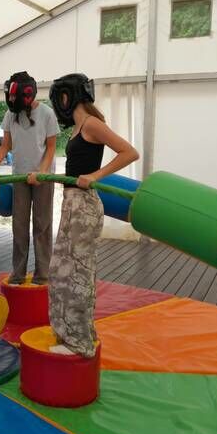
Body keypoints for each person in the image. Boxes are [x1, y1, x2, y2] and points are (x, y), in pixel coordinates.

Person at [47, 74, 139, 357]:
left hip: (84, 206)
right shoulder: (78, 127)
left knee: (78, 274)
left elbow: (129, 152)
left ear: (70, 96)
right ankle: (69, 333)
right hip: (71, 203)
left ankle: (80, 344)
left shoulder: (91, 124)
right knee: (60, 271)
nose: (58, 103)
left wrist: (95, 176)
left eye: (60, 97)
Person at [0, 71, 59, 285]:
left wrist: (41, 172)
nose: (11, 100)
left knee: (42, 225)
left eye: (14, 96)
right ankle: (18, 273)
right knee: (19, 226)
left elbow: (51, 148)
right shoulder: (10, 115)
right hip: (19, 176)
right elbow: (5, 146)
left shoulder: (47, 113)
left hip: (43, 177)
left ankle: (42, 274)